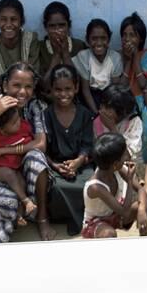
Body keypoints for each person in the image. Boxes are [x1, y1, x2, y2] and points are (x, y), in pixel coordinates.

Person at [0, 62, 56, 242]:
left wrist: (3, 149)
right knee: (9, 205)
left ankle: (42, 217)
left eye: (28, 87)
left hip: (25, 174)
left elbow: (40, 144)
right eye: (16, 85)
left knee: (36, 157)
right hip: (0, 174)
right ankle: (10, 217)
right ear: (5, 86)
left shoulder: (33, 106)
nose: (22, 92)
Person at [44, 64, 95, 235]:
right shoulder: (46, 115)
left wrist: (78, 162)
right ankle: (70, 217)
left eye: (68, 89)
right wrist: (56, 166)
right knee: (56, 188)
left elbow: (88, 145)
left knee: (89, 184)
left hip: (81, 165)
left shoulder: (85, 114)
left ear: (76, 88)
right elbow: (42, 149)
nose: (63, 94)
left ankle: (81, 217)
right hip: (55, 167)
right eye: (58, 89)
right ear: (51, 89)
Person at [81, 132, 147, 238]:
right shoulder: (96, 187)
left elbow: (141, 189)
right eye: (124, 154)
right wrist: (129, 180)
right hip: (96, 222)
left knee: (145, 208)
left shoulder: (117, 168)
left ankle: (143, 238)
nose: (127, 156)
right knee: (109, 234)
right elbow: (125, 212)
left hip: (115, 215)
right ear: (115, 164)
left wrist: (141, 210)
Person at [0, 107, 36, 224]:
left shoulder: (24, 127)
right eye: (14, 123)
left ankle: (19, 214)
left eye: (18, 118)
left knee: (21, 183)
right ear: (2, 130)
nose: (18, 122)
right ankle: (26, 201)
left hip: (16, 167)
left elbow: (35, 143)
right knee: (9, 174)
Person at [118, 12, 147, 155]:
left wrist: (134, 57)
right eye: (125, 35)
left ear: (140, 38)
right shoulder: (117, 55)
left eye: (132, 35)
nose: (128, 39)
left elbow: (143, 84)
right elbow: (121, 87)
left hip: (142, 100)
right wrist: (127, 61)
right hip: (123, 100)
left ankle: (146, 162)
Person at [0, 0, 41, 89]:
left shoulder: (31, 40)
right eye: (3, 19)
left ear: (21, 21)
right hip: (2, 94)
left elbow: (34, 75)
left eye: (13, 19)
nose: (8, 24)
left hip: (29, 92)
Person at [72, 18, 123, 114]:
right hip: (89, 96)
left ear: (109, 39)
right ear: (87, 39)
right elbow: (85, 89)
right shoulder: (84, 56)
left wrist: (108, 110)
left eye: (103, 38)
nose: (99, 43)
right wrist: (96, 112)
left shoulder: (115, 57)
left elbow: (115, 88)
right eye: (94, 38)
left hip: (109, 96)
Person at [38, 1, 87, 96]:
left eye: (62, 25)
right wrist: (56, 55)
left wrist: (65, 54)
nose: (57, 30)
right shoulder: (40, 47)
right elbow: (45, 86)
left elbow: (78, 84)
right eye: (52, 26)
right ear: (45, 27)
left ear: (68, 26)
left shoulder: (79, 46)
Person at [93, 84, 143, 166]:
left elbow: (127, 156)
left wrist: (113, 129)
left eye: (107, 107)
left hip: (128, 166)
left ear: (122, 112)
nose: (101, 109)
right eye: (102, 104)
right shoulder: (96, 122)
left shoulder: (134, 122)